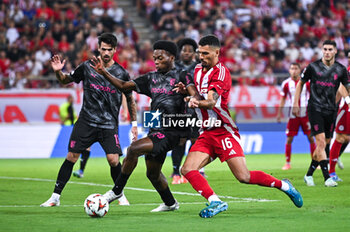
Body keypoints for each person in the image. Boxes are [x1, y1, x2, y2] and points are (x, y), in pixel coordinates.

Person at [179, 35, 303, 218]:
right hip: (206, 131)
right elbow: (199, 95)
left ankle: (284, 185)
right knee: (187, 169)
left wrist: (194, 102)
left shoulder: (221, 73)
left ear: (217, 52)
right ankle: (215, 202)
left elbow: (211, 102)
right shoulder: (198, 70)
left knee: (243, 176)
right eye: (200, 52)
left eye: (205, 53)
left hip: (224, 131)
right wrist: (188, 93)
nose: (201, 56)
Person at [90, 40, 194, 212]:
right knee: (152, 174)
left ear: (172, 57)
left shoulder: (182, 76)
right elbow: (124, 86)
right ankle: (170, 203)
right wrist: (104, 73)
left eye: (160, 57)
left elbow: (195, 94)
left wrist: (188, 96)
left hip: (174, 130)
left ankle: (117, 191)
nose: (156, 61)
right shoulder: (150, 78)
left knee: (133, 149)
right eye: (155, 58)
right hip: (156, 128)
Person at [40, 33, 138, 207]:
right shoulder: (87, 67)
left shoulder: (121, 73)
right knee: (71, 156)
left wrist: (134, 123)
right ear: (98, 48)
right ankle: (55, 197)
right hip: (86, 121)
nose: (106, 53)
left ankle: (119, 194)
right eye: (103, 49)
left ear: (115, 50)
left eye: (109, 50)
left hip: (108, 124)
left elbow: (130, 98)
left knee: (113, 160)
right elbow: (65, 80)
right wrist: (57, 72)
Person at [293, 40, 350, 187]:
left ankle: (309, 174)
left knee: (325, 143)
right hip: (315, 108)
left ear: (335, 51)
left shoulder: (341, 70)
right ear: (322, 50)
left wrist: (347, 98)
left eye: (330, 49)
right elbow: (300, 83)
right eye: (325, 49)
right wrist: (295, 103)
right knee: (320, 142)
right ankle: (327, 177)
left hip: (331, 110)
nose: (327, 52)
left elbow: (345, 87)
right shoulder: (313, 67)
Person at [171, 37, 200, 184]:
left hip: (195, 109)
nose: (187, 53)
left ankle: (188, 168)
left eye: (190, 51)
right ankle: (176, 171)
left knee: (195, 140)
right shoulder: (173, 67)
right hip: (178, 109)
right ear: (180, 52)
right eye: (184, 50)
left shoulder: (199, 68)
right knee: (180, 141)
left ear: (195, 53)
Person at [277, 63, 316, 170]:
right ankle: (287, 163)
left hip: (305, 114)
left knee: (311, 138)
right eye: (292, 68)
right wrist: (279, 114)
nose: (294, 71)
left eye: (296, 68)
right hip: (292, 115)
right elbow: (283, 99)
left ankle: (314, 162)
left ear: (300, 70)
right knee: (289, 139)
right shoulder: (286, 84)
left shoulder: (306, 83)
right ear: (289, 71)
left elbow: (312, 97)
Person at [59, 94, 91, 179]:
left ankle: (81, 170)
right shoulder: (67, 106)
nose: (73, 100)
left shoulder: (66, 106)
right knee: (85, 148)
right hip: (71, 126)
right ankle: (81, 170)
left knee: (84, 148)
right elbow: (68, 116)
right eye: (72, 99)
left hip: (77, 126)